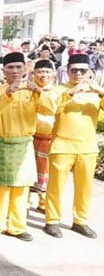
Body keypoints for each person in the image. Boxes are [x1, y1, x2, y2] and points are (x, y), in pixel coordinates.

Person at [0, 52, 51, 242]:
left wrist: (38, 91)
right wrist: (8, 94)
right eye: (10, 67)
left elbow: (50, 110)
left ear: (25, 69)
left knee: (22, 187)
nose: (14, 71)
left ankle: (17, 227)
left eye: (18, 67)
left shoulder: (32, 90)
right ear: (3, 70)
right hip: (1, 142)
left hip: (24, 144)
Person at [44, 54, 104, 239]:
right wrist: (71, 92)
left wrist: (100, 92)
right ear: (67, 71)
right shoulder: (58, 90)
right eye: (74, 70)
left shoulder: (95, 92)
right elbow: (49, 107)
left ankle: (80, 220)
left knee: (85, 187)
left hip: (87, 147)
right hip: (62, 145)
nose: (78, 73)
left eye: (82, 70)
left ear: (89, 72)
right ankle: (52, 220)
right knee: (55, 186)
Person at [29, 59, 57, 213]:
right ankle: (25, 203)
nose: (43, 75)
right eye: (40, 72)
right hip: (30, 138)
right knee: (28, 171)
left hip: (50, 139)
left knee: (48, 173)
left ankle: (44, 204)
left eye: (47, 72)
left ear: (53, 74)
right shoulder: (28, 90)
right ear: (34, 74)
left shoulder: (58, 92)